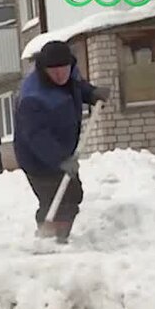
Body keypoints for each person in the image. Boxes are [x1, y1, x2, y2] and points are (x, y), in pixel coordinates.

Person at [14, 40, 109, 244]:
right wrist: (61, 160)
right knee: (55, 200)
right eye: (54, 71)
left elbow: (76, 86)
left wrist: (91, 93)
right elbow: (37, 137)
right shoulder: (32, 97)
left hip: (62, 151)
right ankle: (49, 240)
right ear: (44, 69)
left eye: (63, 69)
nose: (60, 75)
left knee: (72, 195)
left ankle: (56, 237)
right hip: (37, 159)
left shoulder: (70, 74)